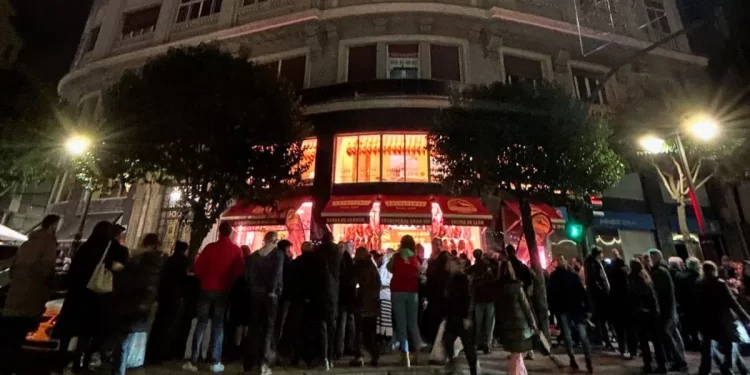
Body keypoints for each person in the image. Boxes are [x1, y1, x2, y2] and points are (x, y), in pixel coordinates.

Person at [55, 221, 128, 373]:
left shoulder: (85, 247)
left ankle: (60, 362)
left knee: (69, 330)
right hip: (95, 296)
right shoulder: (111, 249)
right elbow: (119, 269)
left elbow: (73, 271)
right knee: (88, 332)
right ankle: (81, 363)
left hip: (77, 295)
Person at [0, 214, 60, 375]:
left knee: (10, 333)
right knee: (19, 333)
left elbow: (13, 270)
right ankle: (11, 364)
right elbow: (47, 271)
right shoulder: (48, 244)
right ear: (53, 226)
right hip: (32, 296)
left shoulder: (27, 244)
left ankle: (6, 362)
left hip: (15, 294)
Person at [185, 222, 244, 373]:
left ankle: (193, 360)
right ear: (231, 233)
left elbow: (198, 269)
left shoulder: (210, 248)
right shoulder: (235, 250)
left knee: (201, 323)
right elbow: (238, 271)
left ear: (218, 232)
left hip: (206, 288)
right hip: (222, 291)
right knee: (218, 325)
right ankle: (215, 361)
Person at [110, 233, 165, 375]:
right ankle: (132, 362)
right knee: (135, 335)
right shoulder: (159, 261)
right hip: (146, 302)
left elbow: (126, 279)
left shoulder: (136, 259)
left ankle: (119, 368)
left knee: (123, 338)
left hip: (131, 301)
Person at [696, 261, 750, 375]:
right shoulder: (719, 283)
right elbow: (732, 302)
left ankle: (742, 369)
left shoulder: (699, 284)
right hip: (722, 319)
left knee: (711, 346)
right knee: (731, 345)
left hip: (706, 321)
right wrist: (745, 316)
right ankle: (728, 367)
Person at [244, 233, 285, 375]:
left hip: (256, 294)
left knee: (254, 328)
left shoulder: (254, 256)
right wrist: (273, 291)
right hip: (270, 296)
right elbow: (277, 274)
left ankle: (249, 364)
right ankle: (263, 363)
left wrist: (253, 289)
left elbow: (247, 276)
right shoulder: (278, 255)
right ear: (274, 241)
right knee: (268, 330)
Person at [548, 255, 592, 373]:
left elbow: (551, 295)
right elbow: (581, 292)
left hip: (563, 310)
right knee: (581, 335)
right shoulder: (572, 276)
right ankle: (587, 359)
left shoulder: (555, 277)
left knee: (568, 335)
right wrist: (587, 307)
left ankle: (573, 358)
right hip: (575, 309)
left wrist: (553, 311)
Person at [149, 241, 191, 362]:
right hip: (175, 296)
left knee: (159, 322)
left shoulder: (168, 260)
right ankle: (163, 352)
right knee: (170, 324)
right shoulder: (184, 261)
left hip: (164, 294)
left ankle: (152, 351)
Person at [648, 249, 688, 372]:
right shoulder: (662, 270)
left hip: (666, 309)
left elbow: (661, 293)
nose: (649, 260)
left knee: (668, 335)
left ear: (655, 257)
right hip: (670, 308)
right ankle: (680, 359)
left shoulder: (659, 272)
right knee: (674, 334)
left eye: (650, 257)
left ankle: (678, 360)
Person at [496, 258, 537, 375]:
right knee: (517, 354)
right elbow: (526, 306)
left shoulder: (498, 287)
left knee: (516, 353)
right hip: (520, 323)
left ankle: (521, 372)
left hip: (507, 325)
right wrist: (532, 322)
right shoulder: (517, 286)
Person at [387, 235, 422, 367]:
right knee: (413, 324)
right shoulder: (415, 257)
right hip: (412, 292)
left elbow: (389, 268)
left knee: (401, 324)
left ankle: (405, 357)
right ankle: (417, 354)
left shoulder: (396, 257)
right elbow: (419, 272)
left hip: (397, 291)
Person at [628, 258, 666, 374]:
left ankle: (648, 364)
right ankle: (661, 364)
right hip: (651, 314)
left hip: (641, 315)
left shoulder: (633, 281)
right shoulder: (646, 278)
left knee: (644, 342)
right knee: (656, 341)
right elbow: (653, 297)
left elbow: (632, 299)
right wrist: (655, 311)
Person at [442, 257, 479, 375]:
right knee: (448, 340)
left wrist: (467, 317)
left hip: (462, 317)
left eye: (453, 265)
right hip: (453, 317)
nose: (450, 267)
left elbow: (468, 299)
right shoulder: (450, 279)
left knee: (468, 346)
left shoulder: (463, 279)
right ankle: (452, 363)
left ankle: (473, 369)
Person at [350, 247, 381, 367]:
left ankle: (360, 356)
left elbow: (359, 285)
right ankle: (374, 354)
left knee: (360, 332)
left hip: (362, 304)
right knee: (369, 332)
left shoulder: (360, 268)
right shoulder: (372, 267)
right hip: (372, 304)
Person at [316, 232, 342, 371]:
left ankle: (323, 357)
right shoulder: (338, 253)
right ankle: (330, 358)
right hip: (333, 293)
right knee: (332, 327)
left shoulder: (318, 253)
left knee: (322, 327)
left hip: (320, 293)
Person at [607, 249, 635, 359]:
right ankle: (631, 349)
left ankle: (623, 349)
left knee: (620, 329)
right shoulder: (625, 271)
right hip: (625, 302)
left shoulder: (611, 271)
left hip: (616, 303)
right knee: (628, 328)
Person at [467, 249, 496, 354]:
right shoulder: (489, 266)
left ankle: (479, 342)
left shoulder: (474, 268)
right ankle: (487, 343)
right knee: (489, 322)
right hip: (489, 298)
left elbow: (466, 274)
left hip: (479, 298)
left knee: (479, 322)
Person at [584, 247, 612, 349]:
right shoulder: (592, 264)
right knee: (601, 319)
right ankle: (604, 340)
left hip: (599, 296)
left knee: (601, 319)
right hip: (599, 297)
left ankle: (603, 339)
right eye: (601, 253)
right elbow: (594, 280)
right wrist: (602, 291)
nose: (602, 255)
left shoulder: (595, 263)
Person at [423, 250, 450, 346]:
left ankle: (435, 343)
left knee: (435, 323)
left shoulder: (433, 271)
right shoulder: (449, 273)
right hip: (444, 302)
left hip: (434, 301)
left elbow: (427, 287)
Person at [675, 256, 701, 351]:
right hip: (695, 304)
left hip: (684, 305)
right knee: (697, 325)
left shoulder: (680, 275)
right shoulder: (696, 276)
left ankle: (691, 342)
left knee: (688, 326)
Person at [336, 245, 356, 359]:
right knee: (350, 322)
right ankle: (350, 346)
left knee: (342, 323)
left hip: (342, 297)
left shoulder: (339, 262)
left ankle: (339, 348)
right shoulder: (350, 263)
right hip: (350, 297)